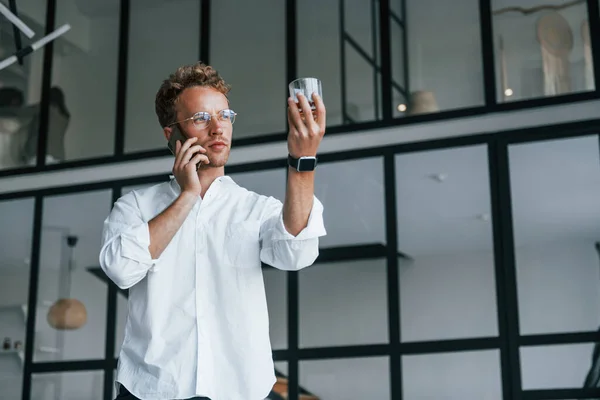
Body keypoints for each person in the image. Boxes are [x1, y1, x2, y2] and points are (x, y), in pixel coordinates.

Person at [99, 62, 327, 400]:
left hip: (240, 389)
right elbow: (121, 269)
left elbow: (296, 253)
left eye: (225, 115)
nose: (218, 128)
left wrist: (301, 160)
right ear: (171, 133)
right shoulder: (134, 207)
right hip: (151, 390)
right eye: (201, 118)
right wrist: (188, 195)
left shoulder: (254, 208)